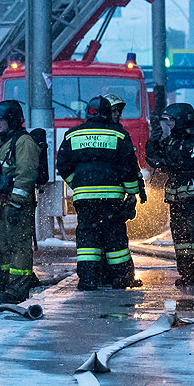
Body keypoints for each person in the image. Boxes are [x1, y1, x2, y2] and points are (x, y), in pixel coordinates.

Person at [57, 95, 144, 291]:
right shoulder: (118, 135)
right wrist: (131, 194)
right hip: (111, 198)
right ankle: (120, 279)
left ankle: (88, 280)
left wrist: (77, 185)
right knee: (115, 238)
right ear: (107, 112)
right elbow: (128, 168)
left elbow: (62, 165)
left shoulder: (72, 135)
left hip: (84, 199)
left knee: (88, 239)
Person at [0, 100, 40, 303]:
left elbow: (26, 176)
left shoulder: (24, 143)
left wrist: (15, 203)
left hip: (16, 206)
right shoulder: (2, 143)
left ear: (11, 121)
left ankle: (17, 288)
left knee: (18, 246)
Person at [146, 103, 194, 287]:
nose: (169, 126)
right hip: (177, 201)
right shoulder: (172, 141)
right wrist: (153, 141)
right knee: (181, 239)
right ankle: (187, 275)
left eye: (171, 122)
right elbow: (155, 160)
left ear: (182, 120)